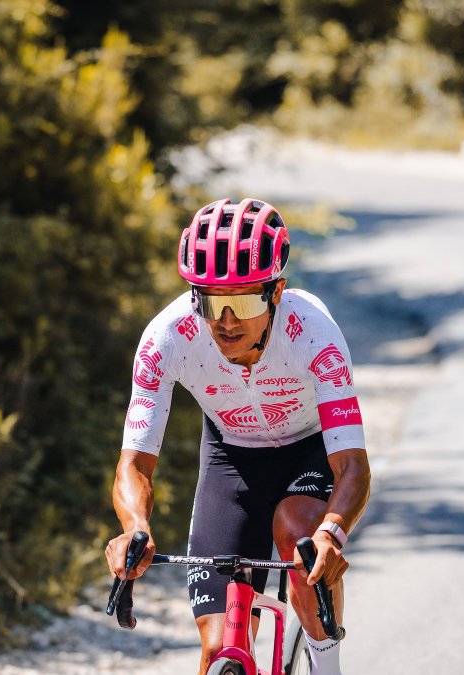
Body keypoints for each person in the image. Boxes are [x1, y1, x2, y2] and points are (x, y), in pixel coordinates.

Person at [105, 198, 371, 675]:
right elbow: (134, 464)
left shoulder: (314, 334)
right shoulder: (167, 339)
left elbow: (351, 465)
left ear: (276, 292)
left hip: (310, 451)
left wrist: (332, 533)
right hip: (231, 459)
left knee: (298, 531)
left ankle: (326, 667)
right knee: (216, 650)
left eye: (245, 301)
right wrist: (135, 528)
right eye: (210, 301)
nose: (226, 320)